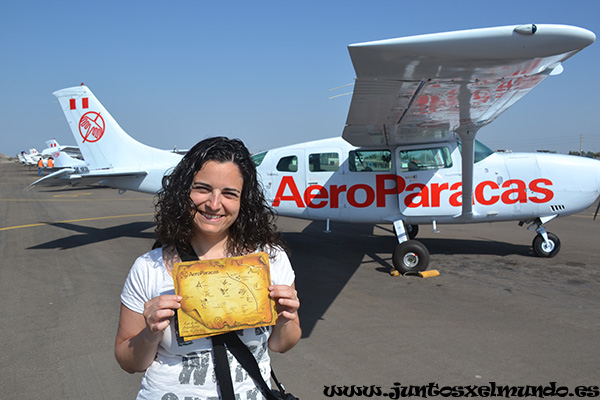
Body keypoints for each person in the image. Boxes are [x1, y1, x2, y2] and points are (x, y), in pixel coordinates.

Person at [115, 137, 301, 400]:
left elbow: (283, 344)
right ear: (184, 192)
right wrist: (150, 334)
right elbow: (127, 361)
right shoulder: (149, 267)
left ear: (243, 200)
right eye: (202, 189)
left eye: (229, 193)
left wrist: (285, 319)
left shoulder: (272, 259)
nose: (214, 204)